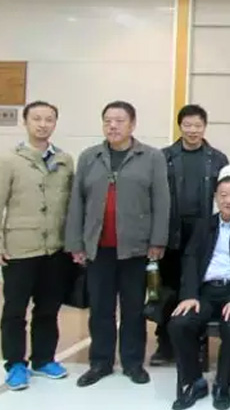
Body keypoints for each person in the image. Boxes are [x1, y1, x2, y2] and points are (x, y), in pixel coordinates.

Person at [65, 100, 170, 387]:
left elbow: (162, 202)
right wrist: (75, 243)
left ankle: (133, 363)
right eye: (108, 121)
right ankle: (100, 362)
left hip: (136, 248)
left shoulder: (151, 157)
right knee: (100, 308)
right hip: (98, 247)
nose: (113, 126)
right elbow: (76, 202)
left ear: (132, 124)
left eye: (119, 121)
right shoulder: (89, 157)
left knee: (134, 309)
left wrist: (158, 240)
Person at [168, 176, 230, 410]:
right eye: (223, 195)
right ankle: (194, 381)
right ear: (215, 198)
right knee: (179, 323)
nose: (228, 200)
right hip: (206, 292)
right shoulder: (204, 225)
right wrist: (189, 295)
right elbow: (190, 259)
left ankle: (222, 384)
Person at [0, 101, 74, 390]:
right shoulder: (9, 160)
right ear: (25, 122)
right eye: (37, 119)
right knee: (15, 310)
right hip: (19, 248)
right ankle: (15, 363)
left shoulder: (65, 160)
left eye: (49, 119)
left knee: (48, 309)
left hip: (55, 248)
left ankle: (43, 359)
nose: (43, 124)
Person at [152, 104, 229, 367]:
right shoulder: (164, 157)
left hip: (204, 233)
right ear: (180, 126)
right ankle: (165, 344)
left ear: (205, 127)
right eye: (188, 125)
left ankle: (198, 345)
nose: (193, 130)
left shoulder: (217, 159)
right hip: (172, 232)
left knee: (199, 289)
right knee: (169, 290)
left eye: (198, 125)